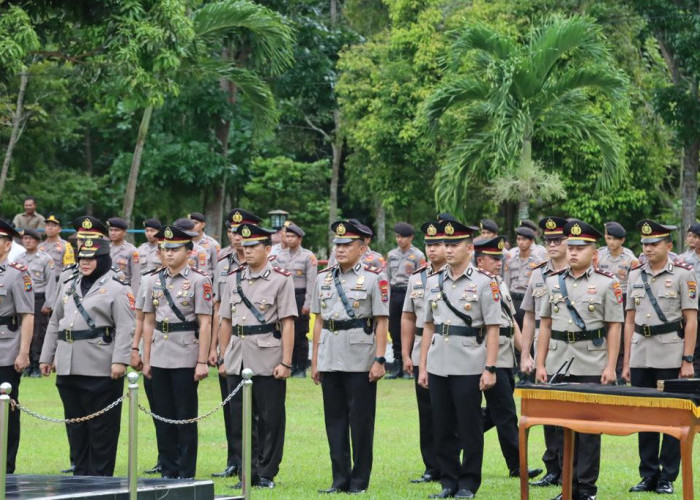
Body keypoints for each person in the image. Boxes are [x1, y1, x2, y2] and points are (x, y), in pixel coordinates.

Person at [536, 220, 624, 500]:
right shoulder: (552, 282)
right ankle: (567, 488)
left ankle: (586, 489)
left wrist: (611, 366)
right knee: (561, 429)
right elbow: (546, 325)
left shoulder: (607, 283)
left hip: (590, 363)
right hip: (559, 362)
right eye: (570, 246)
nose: (573, 252)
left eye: (580, 248)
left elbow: (614, 327)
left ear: (593, 252)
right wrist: (540, 363)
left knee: (588, 431)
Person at [417, 218, 500, 499]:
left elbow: (492, 328)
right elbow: (428, 325)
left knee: (469, 427)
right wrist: (423, 365)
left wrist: (489, 367)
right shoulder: (432, 282)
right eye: (444, 244)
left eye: (454, 244)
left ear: (470, 248)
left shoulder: (485, 283)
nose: (447, 250)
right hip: (439, 361)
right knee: (441, 426)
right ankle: (448, 481)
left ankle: (468, 483)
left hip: (469, 363)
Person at [39, 238, 134, 476]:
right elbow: (55, 323)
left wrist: (120, 360)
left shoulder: (118, 287)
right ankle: (80, 476)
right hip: (68, 364)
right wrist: (46, 356)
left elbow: (126, 326)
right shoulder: (69, 284)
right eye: (82, 258)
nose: (85, 263)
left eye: (91, 259)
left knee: (102, 429)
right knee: (76, 426)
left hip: (100, 365)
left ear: (102, 260)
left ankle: (101, 479)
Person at [311, 220, 389, 494]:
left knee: (361, 422)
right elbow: (318, 321)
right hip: (330, 354)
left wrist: (380, 359)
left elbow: (381, 322)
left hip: (360, 357)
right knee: (334, 421)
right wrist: (315, 360)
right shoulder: (323, 278)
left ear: (362, 246)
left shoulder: (373, 278)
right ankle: (339, 479)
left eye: (347, 244)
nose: (340, 249)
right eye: (338, 244)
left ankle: (359, 481)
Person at [218, 222, 297, 489]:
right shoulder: (233, 278)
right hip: (238, 356)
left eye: (253, 246)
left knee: (270, 418)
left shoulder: (281, 278)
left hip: (268, 356)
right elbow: (225, 321)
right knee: (239, 419)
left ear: (267, 249)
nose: (247, 250)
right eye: (245, 245)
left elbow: (287, 322)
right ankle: (246, 472)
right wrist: (223, 355)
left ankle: (267, 472)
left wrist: (286, 361)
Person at [622, 220, 697, 495]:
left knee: (672, 418)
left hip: (670, 353)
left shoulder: (683, 275)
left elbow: (691, 320)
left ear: (669, 246)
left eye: (654, 244)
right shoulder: (634, 275)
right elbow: (629, 320)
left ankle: (668, 477)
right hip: (641, 353)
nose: (648, 249)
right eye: (644, 244)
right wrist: (626, 360)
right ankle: (648, 474)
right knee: (645, 416)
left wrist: (687, 359)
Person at [142, 224, 212, 479]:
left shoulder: (198, 280)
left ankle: (185, 469)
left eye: (175, 249)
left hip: (185, 353)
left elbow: (205, 323)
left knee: (184, 416)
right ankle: (168, 467)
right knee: (162, 415)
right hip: (159, 352)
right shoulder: (153, 280)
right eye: (165, 249)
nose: (169, 254)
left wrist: (202, 360)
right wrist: (146, 358)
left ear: (189, 252)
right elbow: (149, 321)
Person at [474, 235, 542, 480]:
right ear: (480, 260)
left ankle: (458, 437)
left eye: (500, 259)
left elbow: (511, 321)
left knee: (498, 412)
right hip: (483, 355)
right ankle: (517, 465)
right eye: (493, 259)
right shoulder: (475, 283)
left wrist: (525, 353)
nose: (498, 263)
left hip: (504, 356)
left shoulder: (498, 283)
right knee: (505, 413)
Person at [209, 208, 259, 479]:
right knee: (231, 406)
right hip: (230, 343)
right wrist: (216, 348)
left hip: (258, 343)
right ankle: (235, 459)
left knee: (259, 410)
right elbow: (218, 308)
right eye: (233, 231)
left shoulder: (266, 259)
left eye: (242, 232)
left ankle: (257, 463)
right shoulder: (222, 261)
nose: (237, 237)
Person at [520, 216, 569, 488]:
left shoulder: (575, 271)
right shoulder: (538, 273)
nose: (552, 245)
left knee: (569, 411)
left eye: (557, 240)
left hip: (570, 347)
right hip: (543, 349)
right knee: (548, 411)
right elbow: (529, 316)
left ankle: (568, 467)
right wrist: (525, 353)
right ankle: (553, 466)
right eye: (548, 240)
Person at [401, 220, 446, 485]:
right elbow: (408, 317)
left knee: (451, 412)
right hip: (423, 350)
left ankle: (452, 462)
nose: (432, 249)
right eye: (429, 244)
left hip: (454, 349)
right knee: (427, 412)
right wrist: (407, 354)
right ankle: (432, 466)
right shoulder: (417, 278)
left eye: (438, 244)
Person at [0, 218, 34, 474]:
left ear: (7, 244)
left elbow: (27, 315)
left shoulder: (17, 272)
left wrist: (23, 352)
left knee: (7, 410)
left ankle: (6, 465)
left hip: (6, 348)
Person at [275, 222, 318, 377]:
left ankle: (300, 367)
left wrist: (307, 304)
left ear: (299, 239)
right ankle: (288, 363)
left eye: (293, 236)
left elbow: (311, 281)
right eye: (287, 236)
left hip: (299, 296)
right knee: (282, 331)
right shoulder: (279, 254)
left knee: (300, 333)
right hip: (282, 296)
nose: (289, 239)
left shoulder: (308, 256)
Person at [385, 222, 425, 379]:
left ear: (411, 238)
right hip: (395, 294)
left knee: (411, 330)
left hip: (411, 295)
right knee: (394, 330)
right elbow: (386, 276)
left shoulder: (418, 255)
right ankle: (396, 365)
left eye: (403, 237)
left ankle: (409, 366)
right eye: (397, 236)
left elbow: (421, 277)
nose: (399, 240)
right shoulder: (391, 255)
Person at [21, 229, 56, 377]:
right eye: (25, 238)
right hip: (23, 299)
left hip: (38, 298)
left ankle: (36, 363)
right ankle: (25, 363)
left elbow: (50, 282)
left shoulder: (45, 258)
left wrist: (49, 302)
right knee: (23, 331)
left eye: (31, 238)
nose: (27, 241)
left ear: (37, 241)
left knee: (38, 333)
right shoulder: (18, 258)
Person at [504, 225, 544, 328]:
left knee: (528, 331)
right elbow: (506, 283)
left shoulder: (538, 261)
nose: (521, 242)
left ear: (531, 241)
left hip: (528, 301)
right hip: (513, 300)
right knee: (512, 332)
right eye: (518, 239)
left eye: (524, 239)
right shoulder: (511, 260)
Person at [39, 214, 75, 283]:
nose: (50, 228)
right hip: (41, 282)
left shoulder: (66, 246)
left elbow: (69, 269)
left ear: (59, 229)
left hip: (58, 281)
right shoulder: (39, 246)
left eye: (53, 225)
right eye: (48, 225)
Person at [108, 217, 140, 294]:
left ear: (124, 232)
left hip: (123, 291)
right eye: (111, 230)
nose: (113, 233)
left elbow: (136, 277)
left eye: (116, 230)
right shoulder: (106, 249)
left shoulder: (132, 251)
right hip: (107, 290)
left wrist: (133, 297)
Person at [189, 212, 220, 276]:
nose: (192, 226)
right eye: (190, 223)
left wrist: (215, 286)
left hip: (207, 282)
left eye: (195, 223)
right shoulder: (185, 244)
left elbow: (216, 269)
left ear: (203, 225)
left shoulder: (213, 244)